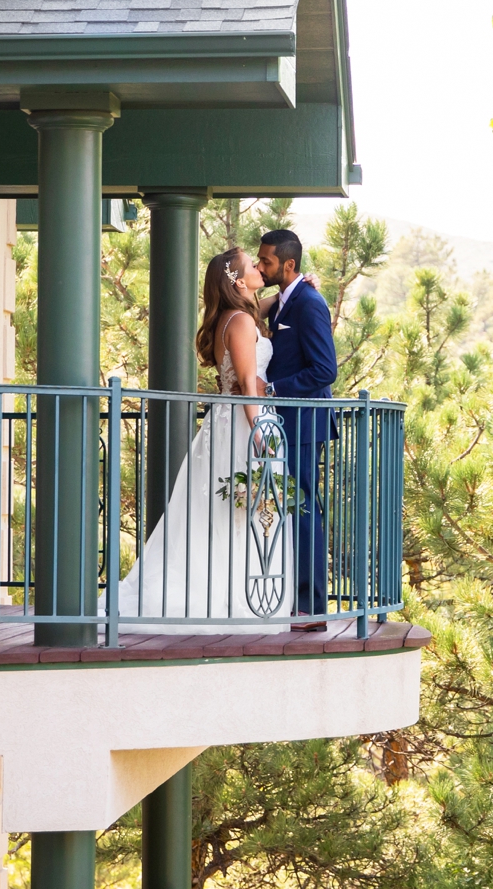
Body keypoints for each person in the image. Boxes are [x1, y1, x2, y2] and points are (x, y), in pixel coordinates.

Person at [118, 247, 293, 628]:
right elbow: (248, 384)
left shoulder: (230, 318)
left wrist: (285, 293)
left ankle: (223, 590)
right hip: (246, 422)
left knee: (219, 512)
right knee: (244, 510)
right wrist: (262, 436)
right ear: (237, 280)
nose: (261, 270)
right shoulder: (242, 324)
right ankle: (233, 600)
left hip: (224, 423)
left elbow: (254, 310)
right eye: (253, 266)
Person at [256, 228, 336, 628]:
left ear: (288, 264)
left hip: (304, 422)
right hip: (285, 423)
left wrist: (271, 388)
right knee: (292, 508)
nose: (260, 266)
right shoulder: (288, 299)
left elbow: (325, 370)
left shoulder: (309, 302)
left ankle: (311, 608)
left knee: (304, 509)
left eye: (266, 261)